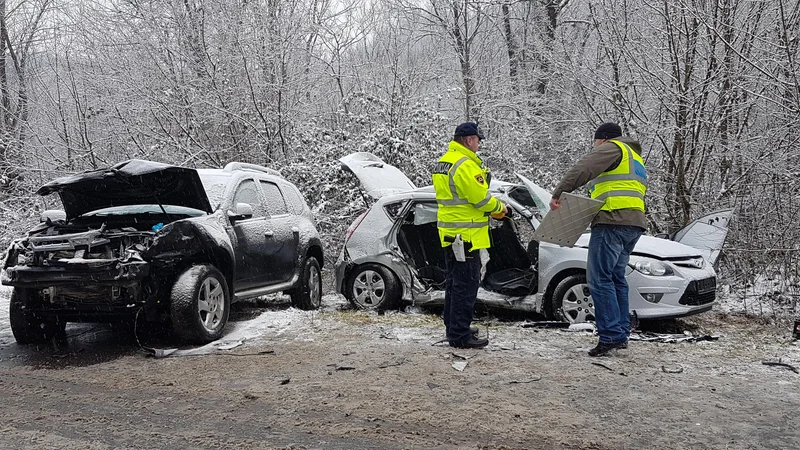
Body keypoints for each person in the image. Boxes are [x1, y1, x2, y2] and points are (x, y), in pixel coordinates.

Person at [549, 122, 647, 356]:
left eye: (595, 144)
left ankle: (610, 335)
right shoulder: (635, 158)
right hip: (633, 225)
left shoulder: (612, 148)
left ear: (602, 139)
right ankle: (621, 333)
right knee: (616, 278)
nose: (595, 148)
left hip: (612, 221)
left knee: (599, 279)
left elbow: (583, 168)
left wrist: (559, 193)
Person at [432, 122, 507, 349]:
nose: (479, 144)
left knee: (454, 284)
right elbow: (480, 199)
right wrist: (501, 209)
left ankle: (454, 326)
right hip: (466, 237)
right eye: (477, 140)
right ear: (468, 140)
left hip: (451, 234)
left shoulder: (445, 162)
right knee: (466, 286)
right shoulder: (465, 165)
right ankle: (460, 335)